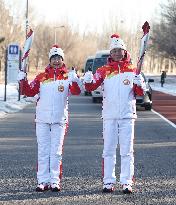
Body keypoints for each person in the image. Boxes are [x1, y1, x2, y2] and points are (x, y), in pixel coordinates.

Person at [83, 34, 147, 194]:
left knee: (127, 151)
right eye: (114, 50)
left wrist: (140, 84)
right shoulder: (103, 71)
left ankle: (126, 182)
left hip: (127, 116)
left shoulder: (133, 70)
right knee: (108, 150)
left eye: (120, 50)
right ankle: (108, 181)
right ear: (110, 53)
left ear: (124, 52)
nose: (117, 53)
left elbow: (139, 93)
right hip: (109, 116)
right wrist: (88, 80)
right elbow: (91, 88)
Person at [18, 45, 81, 192]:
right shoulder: (41, 77)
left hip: (59, 120)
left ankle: (54, 180)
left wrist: (74, 80)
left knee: (56, 151)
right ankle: (42, 181)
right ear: (50, 60)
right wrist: (23, 80)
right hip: (42, 119)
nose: (56, 61)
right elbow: (28, 91)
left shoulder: (67, 76)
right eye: (54, 58)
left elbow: (76, 92)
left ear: (62, 60)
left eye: (59, 58)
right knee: (43, 151)